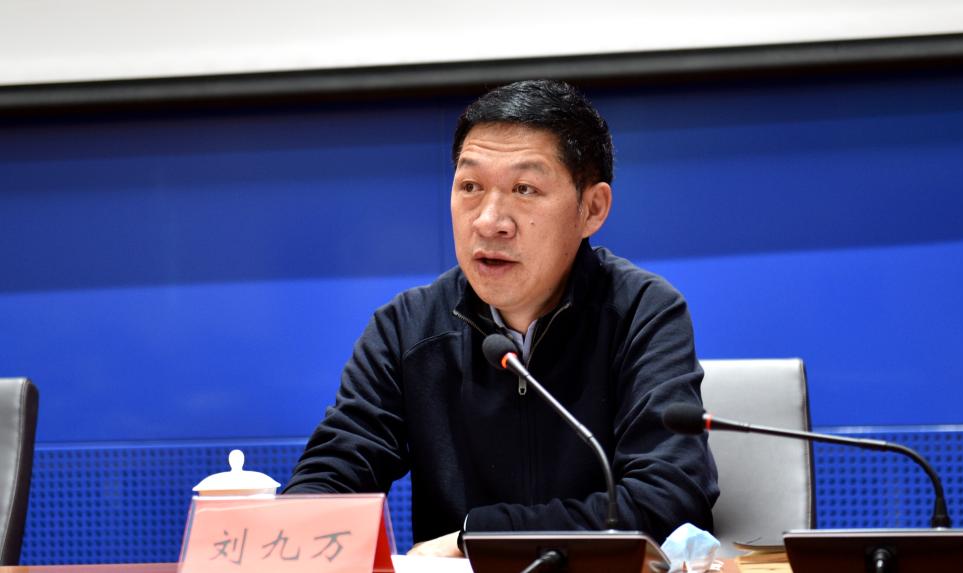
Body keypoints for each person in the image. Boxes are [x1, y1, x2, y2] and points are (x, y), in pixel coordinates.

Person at [283, 79, 718, 557]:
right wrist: (284, 537)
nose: (489, 221)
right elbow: (334, 472)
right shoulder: (407, 328)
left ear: (592, 209)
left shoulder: (640, 312)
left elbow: (668, 500)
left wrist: (476, 537)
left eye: (524, 189)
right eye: (470, 187)